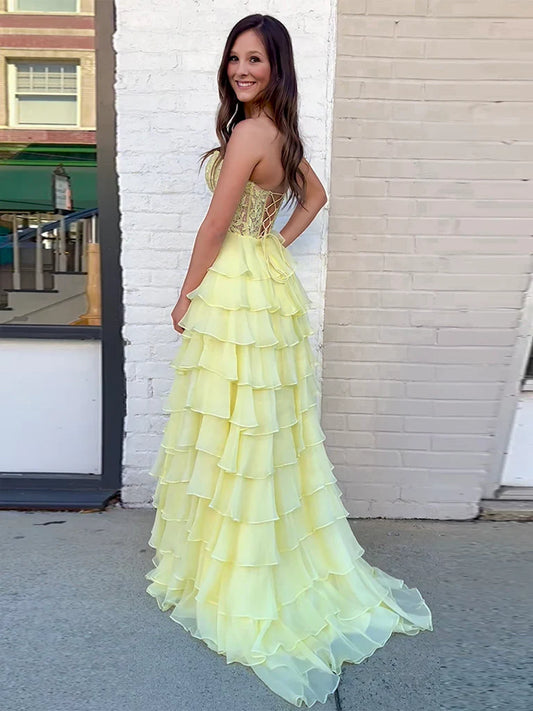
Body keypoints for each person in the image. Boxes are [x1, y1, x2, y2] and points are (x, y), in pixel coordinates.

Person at [145, 13, 433, 708]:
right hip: (265, 284)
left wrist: (186, 294)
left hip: (235, 288)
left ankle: (238, 571)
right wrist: (274, 240)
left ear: (276, 66)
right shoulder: (276, 129)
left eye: (254, 59)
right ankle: (248, 552)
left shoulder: (251, 133)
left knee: (234, 429)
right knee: (260, 429)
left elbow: (216, 225)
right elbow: (314, 196)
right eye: (234, 59)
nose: (241, 70)